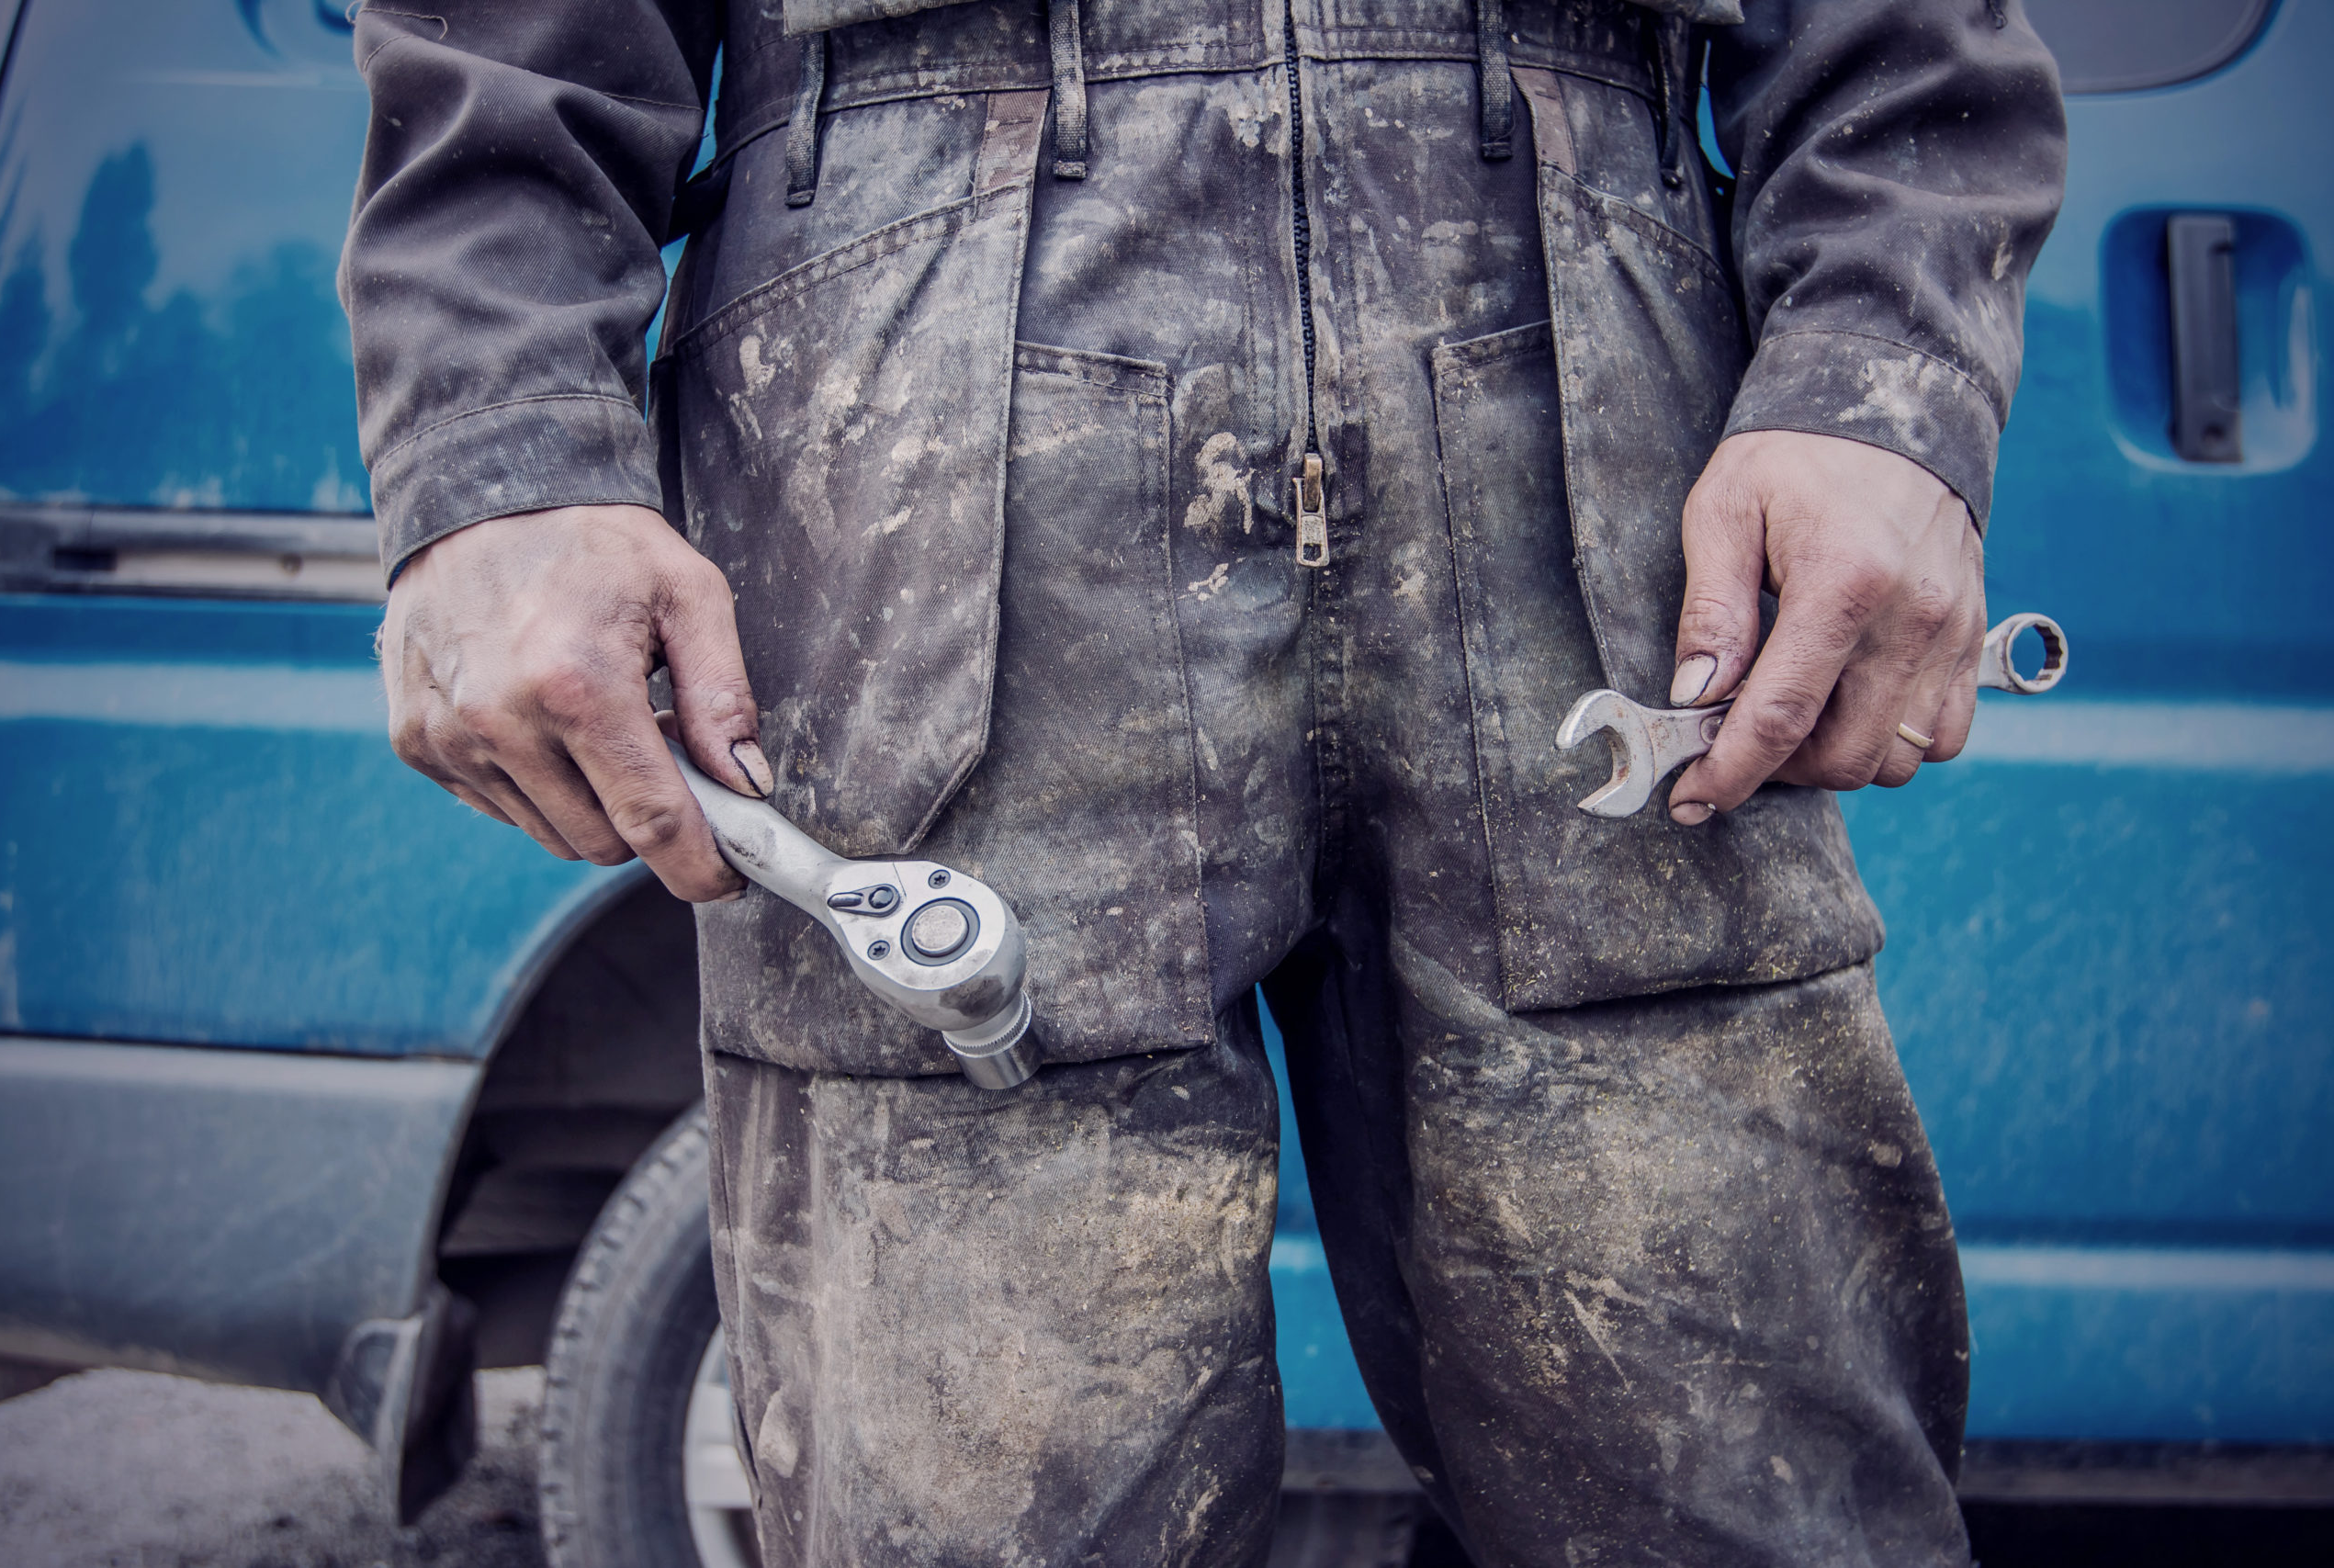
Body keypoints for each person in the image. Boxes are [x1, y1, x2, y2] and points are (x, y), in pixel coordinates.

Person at [344, 1, 2065, 1561]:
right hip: (927, 484)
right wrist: (494, 449)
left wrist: (1883, 385)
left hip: (1600, 506)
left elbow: (1904, 44)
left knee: (1754, 1518)